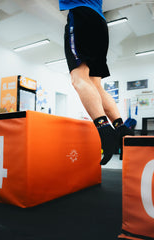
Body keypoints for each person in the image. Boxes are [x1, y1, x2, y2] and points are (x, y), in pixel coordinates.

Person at [59, 0, 133, 165]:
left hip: (81, 17)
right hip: (99, 22)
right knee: (96, 85)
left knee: (78, 78)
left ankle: (105, 131)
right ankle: (121, 129)